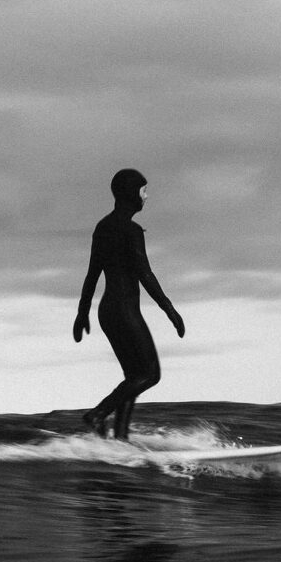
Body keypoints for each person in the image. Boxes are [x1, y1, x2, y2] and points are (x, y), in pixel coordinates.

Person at [73, 168, 185, 440]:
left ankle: (120, 438)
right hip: (125, 312)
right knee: (150, 375)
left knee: (133, 377)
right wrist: (170, 311)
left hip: (107, 312)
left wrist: (82, 313)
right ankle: (98, 414)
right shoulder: (131, 231)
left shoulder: (103, 227)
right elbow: (145, 274)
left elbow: (92, 274)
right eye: (144, 191)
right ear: (131, 194)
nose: (147, 196)